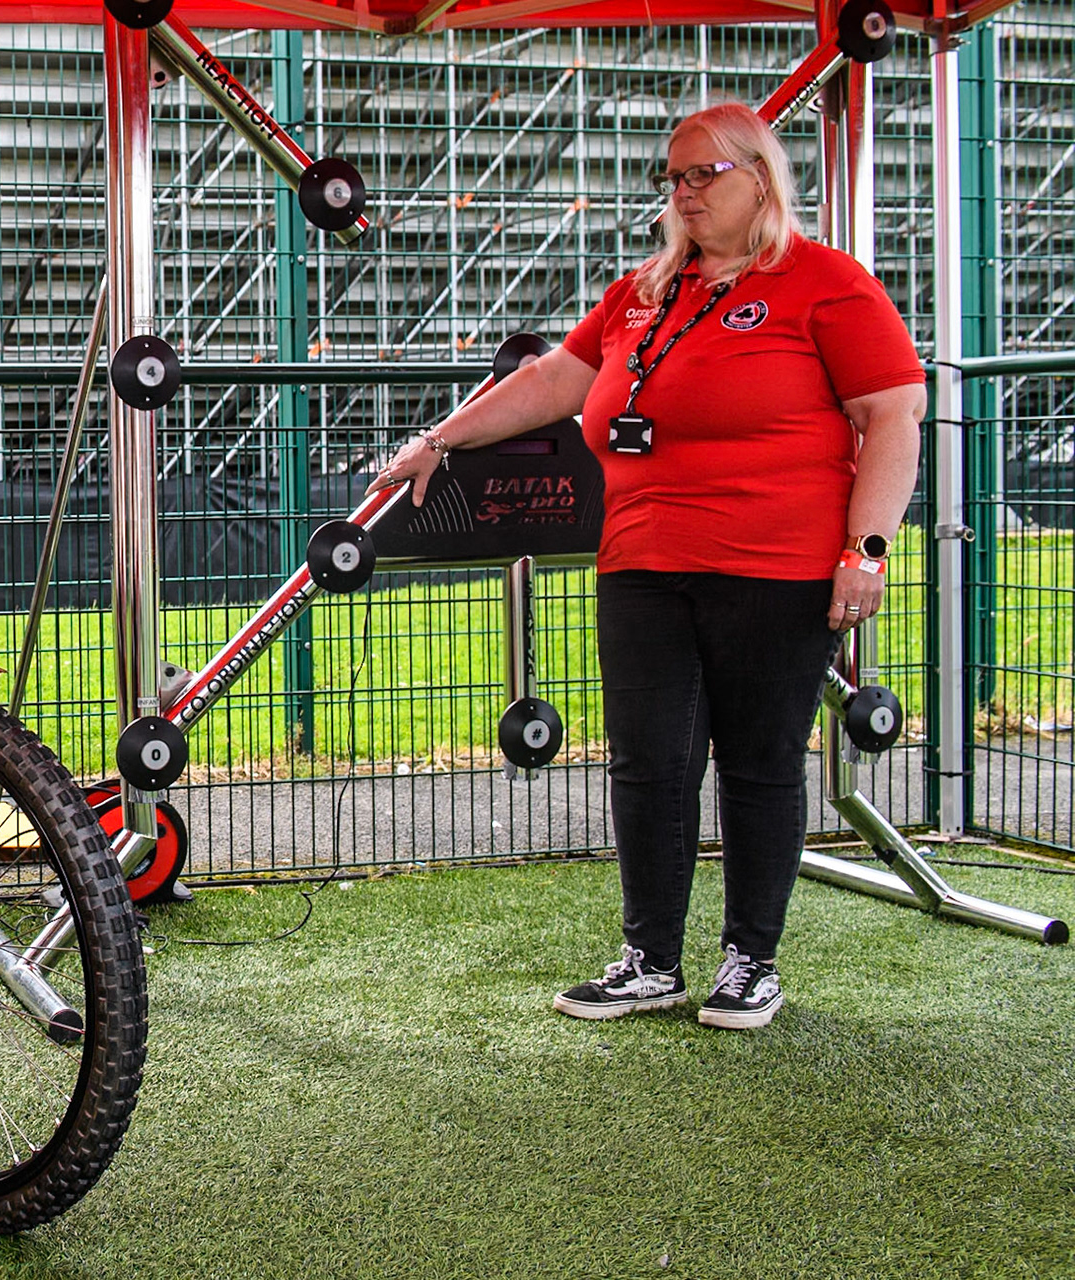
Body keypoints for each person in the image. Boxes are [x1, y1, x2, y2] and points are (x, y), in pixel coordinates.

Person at [368, 102, 925, 1031]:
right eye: (674, 178)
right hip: (641, 561)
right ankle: (650, 959)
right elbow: (555, 381)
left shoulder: (825, 284)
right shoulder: (646, 290)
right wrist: (440, 437)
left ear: (761, 177)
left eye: (705, 174)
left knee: (757, 765)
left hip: (776, 566)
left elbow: (894, 416)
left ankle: (751, 962)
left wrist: (864, 550)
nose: (686, 192)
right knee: (648, 764)